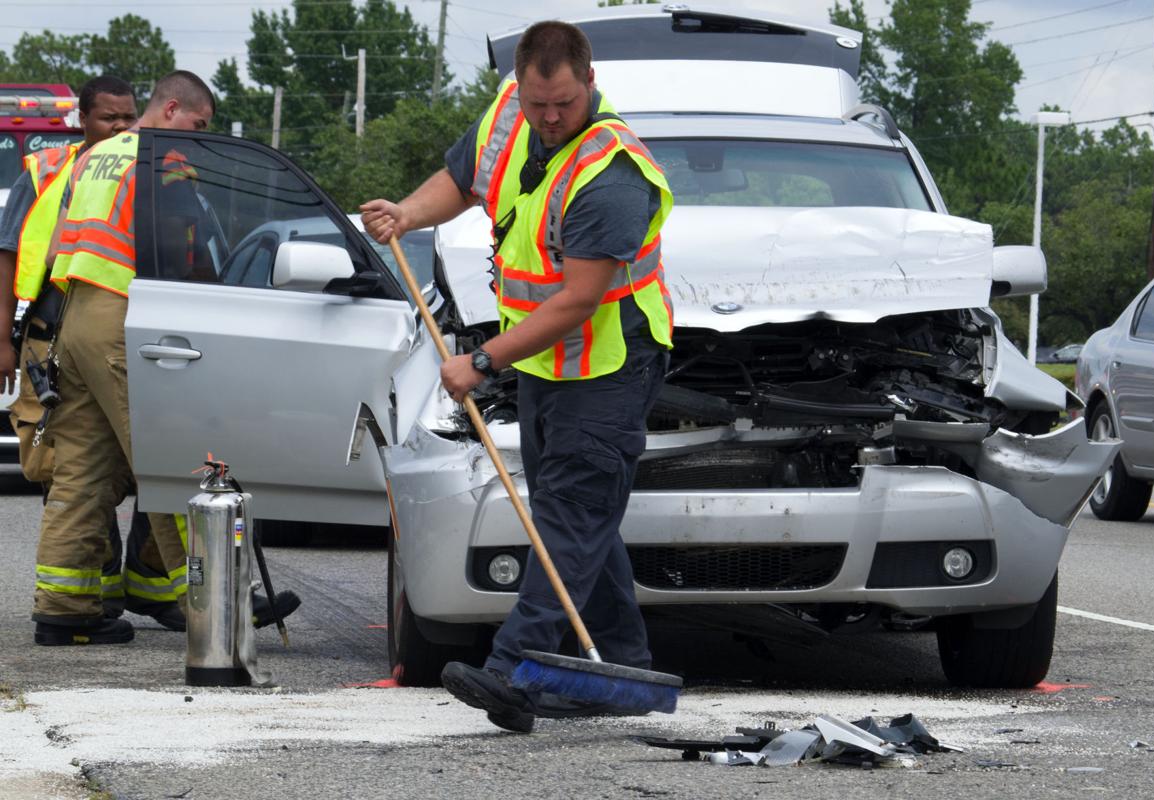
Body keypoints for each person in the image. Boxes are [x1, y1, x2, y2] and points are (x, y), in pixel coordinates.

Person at [361, 21, 674, 732]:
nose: (550, 118)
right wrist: (406, 213)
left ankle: (513, 669)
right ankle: (626, 671)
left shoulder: (611, 171)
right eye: (539, 104)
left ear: (589, 83)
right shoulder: (509, 116)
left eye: (563, 104)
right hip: (546, 366)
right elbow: (464, 179)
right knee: (581, 516)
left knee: (568, 517)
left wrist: (480, 361)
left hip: (610, 365)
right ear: (523, 86)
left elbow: (578, 298)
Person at [32, 70, 298, 645]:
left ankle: (64, 608)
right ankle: (220, 597)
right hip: (125, 316)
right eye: (199, 125)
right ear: (172, 109)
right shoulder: (164, 162)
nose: (200, 136)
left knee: (82, 467)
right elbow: (182, 251)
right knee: (170, 455)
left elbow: (57, 243)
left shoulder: (95, 157)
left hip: (74, 314)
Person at [0, 75, 170, 624]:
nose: (119, 128)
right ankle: (97, 596)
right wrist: (3, 341)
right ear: (82, 121)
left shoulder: (139, 169)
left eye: (126, 118)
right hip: (52, 335)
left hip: (104, 335)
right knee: (69, 468)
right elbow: (9, 256)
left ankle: (105, 596)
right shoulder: (49, 171)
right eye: (107, 119)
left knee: (103, 467)